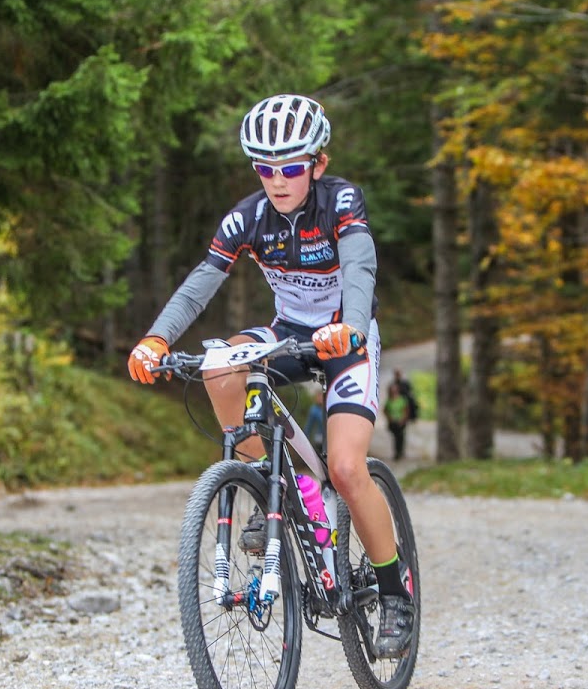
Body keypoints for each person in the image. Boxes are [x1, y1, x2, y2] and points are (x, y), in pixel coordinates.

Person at [128, 94, 414, 658]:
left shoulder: (342, 202)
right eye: (264, 168)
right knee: (219, 365)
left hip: (345, 339)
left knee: (346, 468)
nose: (278, 180)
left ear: (318, 164)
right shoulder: (247, 218)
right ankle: (275, 483)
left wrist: (353, 327)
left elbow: (360, 267)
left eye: (291, 167)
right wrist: (157, 337)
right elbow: (201, 282)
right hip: (287, 334)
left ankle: (393, 590)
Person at [384, 382, 409, 461]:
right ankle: (397, 452)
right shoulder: (389, 400)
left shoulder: (402, 400)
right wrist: (389, 418)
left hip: (401, 422)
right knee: (395, 437)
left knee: (400, 437)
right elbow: (385, 410)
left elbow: (406, 410)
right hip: (393, 422)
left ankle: (400, 451)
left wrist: (403, 420)